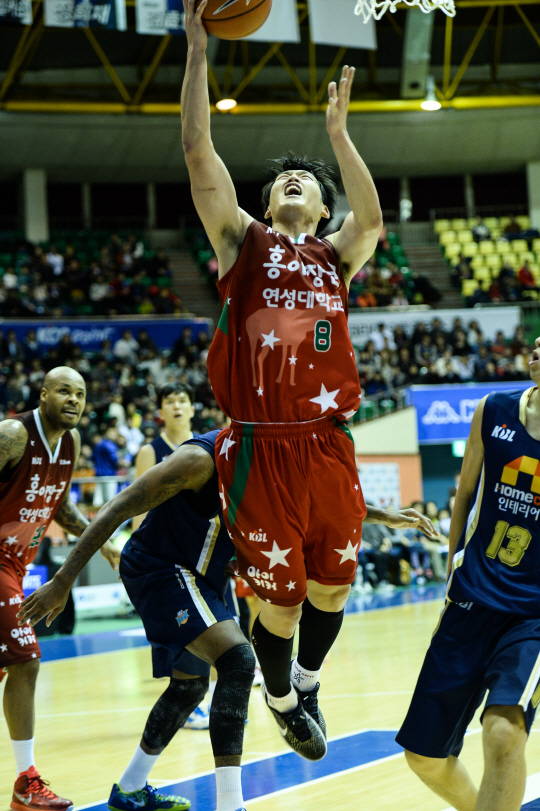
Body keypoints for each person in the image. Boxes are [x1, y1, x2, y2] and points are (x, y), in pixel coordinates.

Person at [182, 0, 383, 761]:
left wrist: (339, 136)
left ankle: (306, 681)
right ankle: (279, 698)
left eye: (308, 180)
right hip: (261, 446)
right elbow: (197, 149)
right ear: (266, 204)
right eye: (283, 179)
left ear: (325, 209)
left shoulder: (337, 256)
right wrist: (198, 50)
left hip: (327, 444)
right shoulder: (244, 243)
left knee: (333, 589)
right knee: (284, 601)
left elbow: (373, 221)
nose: (294, 179)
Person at [17, 431, 255, 811]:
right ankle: (231, 805)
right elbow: (118, 506)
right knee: (238, 661)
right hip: (159, 569)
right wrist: (63, 580)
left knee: (189, 688)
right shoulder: (199, 460)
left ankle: (129, 789)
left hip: (203, 576)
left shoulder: (273, 466)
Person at [397, 336, 540, 811]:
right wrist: (452, 570)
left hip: (533, 614)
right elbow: (464, 497)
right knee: (424, 756)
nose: (538, 344)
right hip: (471, 595)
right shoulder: (492, 408)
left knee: (503, 731)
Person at [0, 367, 119, 811]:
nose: (73, 400)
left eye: (80, 394)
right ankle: (26, 783)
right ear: (43, 394)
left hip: (16, 563)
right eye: (64, 391)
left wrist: (100, 541)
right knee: (25, 660)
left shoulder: (70, 442)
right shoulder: (13, 435)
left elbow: (60, 504)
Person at [132, 382, 212, 731]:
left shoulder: (207, 445)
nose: (177, 405)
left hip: (204, 549)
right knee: (181, 627)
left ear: (193, 408)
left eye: (183, 400)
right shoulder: (151, 451)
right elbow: (137, 504)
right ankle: (188, 703)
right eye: (170, 401)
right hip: (165, 551)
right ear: (160, 411)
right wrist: (138, 548)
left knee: (218, 624)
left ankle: (214, 699)